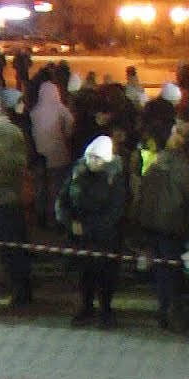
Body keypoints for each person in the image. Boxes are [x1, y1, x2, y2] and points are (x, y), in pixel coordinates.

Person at [133, 123, 189, 328]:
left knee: (159, 269)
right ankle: (171, 312)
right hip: (170, 224)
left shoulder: (157, 162)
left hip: (150, 222)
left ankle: (162, 308)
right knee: (171, 269)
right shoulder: (182, 168)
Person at [56, 136, 127, 329]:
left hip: (104, 238)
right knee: (83, 274)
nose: (92, 162)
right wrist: (69, 222)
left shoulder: (115, 178)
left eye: (97, 158)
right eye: (90, 157)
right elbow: (62, 201)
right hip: (78, 237)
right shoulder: (77, 173)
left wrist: (87, 227)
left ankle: (106, 310)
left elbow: (115, 212)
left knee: (105, 275)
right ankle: (86, 307)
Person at [0, 101, 31, 306]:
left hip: (6, 197)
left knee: (11, 248)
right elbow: (20, 165)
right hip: (10, 198)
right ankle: (21, 289)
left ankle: (18, 289)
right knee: (14, 248)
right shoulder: (14, 132)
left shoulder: (7, 133)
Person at [30, 81, 74, 229]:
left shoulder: (35, 112)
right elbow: (70, 127)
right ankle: (55, 218)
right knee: (56, 187)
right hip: (58, 156)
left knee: (40, 187)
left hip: (39, 156)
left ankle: (40, 216)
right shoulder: (60, 109)